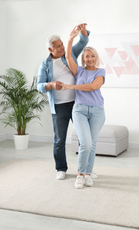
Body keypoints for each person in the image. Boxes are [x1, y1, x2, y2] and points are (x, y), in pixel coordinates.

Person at [37, 24, 89, 180]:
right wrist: (51, 85)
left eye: (62, 45)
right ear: (50, 50)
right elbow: (39, 86)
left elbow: (83, 41)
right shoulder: (45, 65)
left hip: (77, 103)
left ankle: (85, 169)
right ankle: (61, 168)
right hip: (59, 107)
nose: (61, 48)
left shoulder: (70, 53)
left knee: (83, 137)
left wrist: (82, 32)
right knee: (59, 139)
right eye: (58, 47)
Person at [61, 26, 105, 189]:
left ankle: (88, 173)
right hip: (79, 110)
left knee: (92, 144)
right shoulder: (78, 71)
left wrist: (72, 88)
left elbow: (94, 87)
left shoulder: (101, 72)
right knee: (85, 143)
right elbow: (67, 55)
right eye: (87, 56)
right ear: (83, 59)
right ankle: (80, 174)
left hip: (97, 111)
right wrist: (71, 38)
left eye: (92, 56)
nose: (90, 58)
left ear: (96, 58)